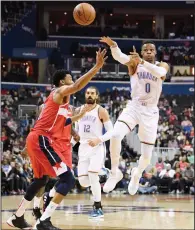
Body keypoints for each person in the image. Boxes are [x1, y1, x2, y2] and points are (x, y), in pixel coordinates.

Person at [7, 48, 107, 230]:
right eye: (70, 77)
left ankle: (18, 217)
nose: (72, 80)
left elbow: (65, 121)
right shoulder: (59, 91)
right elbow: (77, 86)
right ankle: (43, 221)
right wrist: (97, 67)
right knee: (68, 180)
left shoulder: (61, 103)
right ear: (62, 81)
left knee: (40, 180)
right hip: (42, 139)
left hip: (37, 139)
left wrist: (77, 119)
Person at [100, 36, 169, 195]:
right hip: (134, 107)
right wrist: (114, 45)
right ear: (142, 52)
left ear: (155, 52)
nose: (149, 52)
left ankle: (136, 174)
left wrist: (143, 62)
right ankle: (115, 172)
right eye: (146, 50)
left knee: (146, 157)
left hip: (150, 112)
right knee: (116, 135)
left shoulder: (161, 65)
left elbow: (161, 73)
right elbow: (120, 57)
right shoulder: (134, 63)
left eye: (151, 50)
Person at [76, 86, 113, 218]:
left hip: (97, 148)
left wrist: (99, 139)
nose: (90, 95)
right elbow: (76, 134)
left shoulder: (101, 111)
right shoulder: (79, 110)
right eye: (88, 93)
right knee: (83, 183)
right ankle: (104, 171)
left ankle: (98, 206)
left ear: (96, 96)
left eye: (92, 93)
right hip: (83, 148)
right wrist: (68, 145)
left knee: (92, 175)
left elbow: (112, 132)